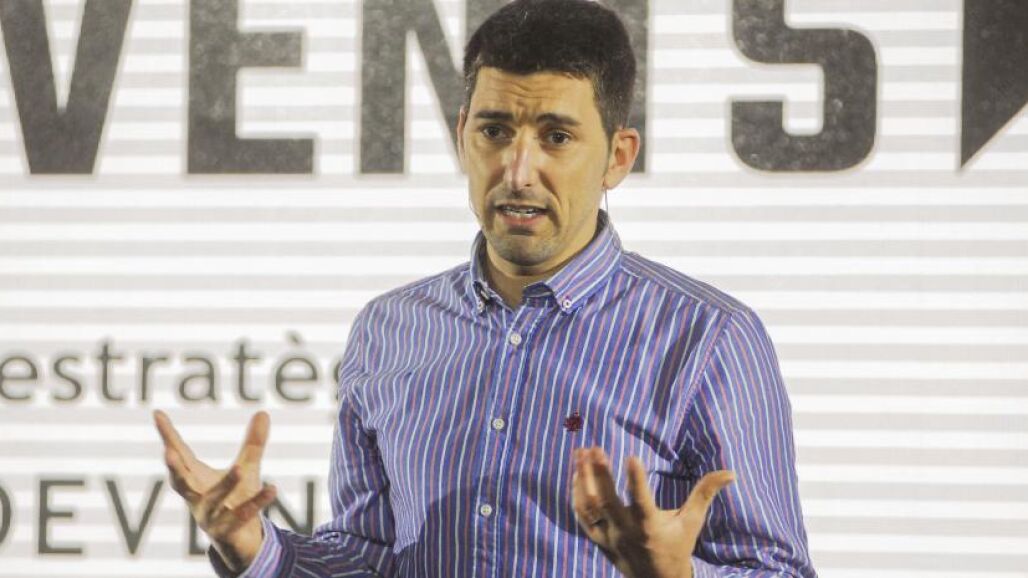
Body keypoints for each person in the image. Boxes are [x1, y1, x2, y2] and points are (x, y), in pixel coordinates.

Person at [154, 1, 818, 576]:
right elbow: (369, 557)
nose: (517, 170)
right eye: (494, 131)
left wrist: (678, 575)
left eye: (556, 137)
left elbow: (777, 569)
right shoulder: (389, 328)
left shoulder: (709, 338)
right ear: (462, 135)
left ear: (618, 157)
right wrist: (254, 547)